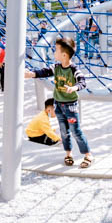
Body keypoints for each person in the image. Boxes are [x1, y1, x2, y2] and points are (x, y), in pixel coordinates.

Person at [24, 37, 93, 168]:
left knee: (76, 131)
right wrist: (31, 74)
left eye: (56, 50)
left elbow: (83, 81)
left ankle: (88, 154)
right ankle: (68, 154)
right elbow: (44, 72)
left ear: (64, 55)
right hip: (59, 105)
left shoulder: (73, 69)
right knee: (64, 132)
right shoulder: (56, 67)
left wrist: (74, 87)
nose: (53, 53)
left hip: (70, 106)